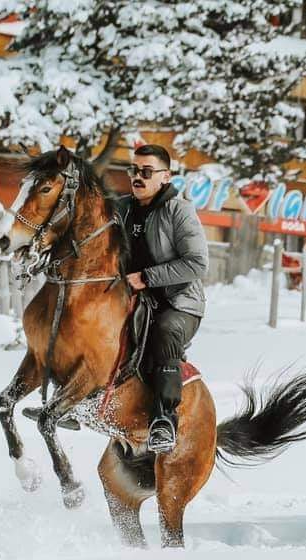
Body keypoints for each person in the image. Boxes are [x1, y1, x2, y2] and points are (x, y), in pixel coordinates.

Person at [117, 144, 208, 454]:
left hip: (179, 304)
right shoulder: (122, 209)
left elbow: (198, 263)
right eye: (134, 171)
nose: (138, 178)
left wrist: (147, 277)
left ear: (166, 177)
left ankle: (163, 420)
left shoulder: (179, 211)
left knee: (164, 331)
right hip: (134, 300)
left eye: (146, 172)